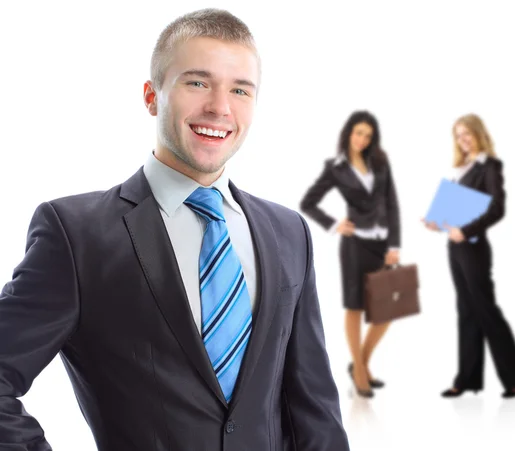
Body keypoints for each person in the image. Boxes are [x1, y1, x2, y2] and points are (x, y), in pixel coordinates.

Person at [0, 9, 350, 451]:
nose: (220, 107)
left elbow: (315, 408)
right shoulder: (77, 235)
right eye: (198, 82)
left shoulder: (288, 232)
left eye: (240, 89)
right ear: (152, 96)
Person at [422, 113, 515, 398]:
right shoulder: (461, 168)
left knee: (485, 308)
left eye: (467, 133)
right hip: (455, 246)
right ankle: (467, 379)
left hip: (474, 247)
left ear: (478, 133)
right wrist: (438, 223)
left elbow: (497, 208)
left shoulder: (489, 165)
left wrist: (466, 229)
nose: (463, 140)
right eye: (458, 135)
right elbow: (457, 209)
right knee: (466, 311)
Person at [299, 110, 401, 399]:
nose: (362, 139)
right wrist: (333, 225)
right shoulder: (336, 167)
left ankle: (361, 361)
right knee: (355, 306)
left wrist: (394, 246)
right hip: (355, 245)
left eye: (367, 135)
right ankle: (359, 370)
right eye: (358, 133)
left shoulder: (380, 162)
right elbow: (309, 202)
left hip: (382, 246)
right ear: (348, 134)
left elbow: (391, 203)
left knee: (385, 312)